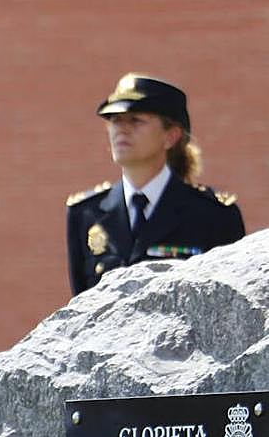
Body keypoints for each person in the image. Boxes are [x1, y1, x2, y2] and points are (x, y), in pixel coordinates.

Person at [66, 73, 245, 296]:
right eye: (115, 120)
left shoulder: (214, 215)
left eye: (135, 120)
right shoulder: (86, 213)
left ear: (171, 136)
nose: (121, 129)